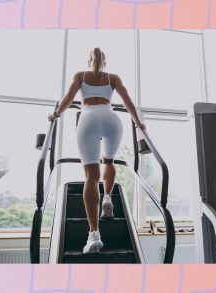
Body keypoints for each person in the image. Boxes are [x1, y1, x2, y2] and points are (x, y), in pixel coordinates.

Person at [48, 47, 145, 254]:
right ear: (105, 62)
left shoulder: (80, 76)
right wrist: (138, 124)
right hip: (111, 119)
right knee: (108, 162)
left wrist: (55, 115)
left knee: (91, 176)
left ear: (89, 60)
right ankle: (108, 198)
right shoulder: (114, 78)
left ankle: (94, 234)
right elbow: (128, 102)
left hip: (88, 119)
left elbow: (67, 99)